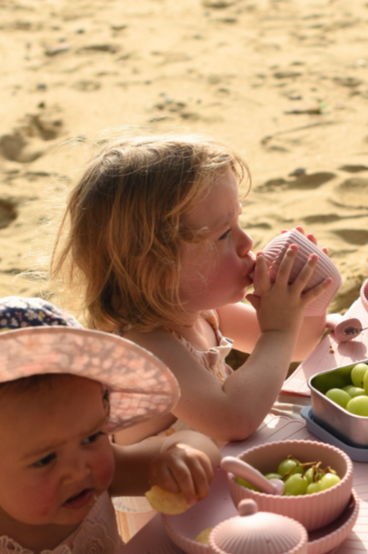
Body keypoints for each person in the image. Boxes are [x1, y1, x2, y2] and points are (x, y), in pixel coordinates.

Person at [50, 133, 337, 447]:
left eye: (239, 221)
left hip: (228, 475)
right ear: (156, 268)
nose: (247, 243)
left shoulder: (201, 311)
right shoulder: (143, 349)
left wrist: (306, 303)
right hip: (178, 495)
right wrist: (278, 331)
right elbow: (234, 418)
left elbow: (296, 348)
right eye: (225, 234)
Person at [0, 297, 221, 554]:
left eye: (92, 437)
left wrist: (184, 456)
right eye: (45, 459)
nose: (78, 469)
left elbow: (197, 445)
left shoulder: (96, 474)